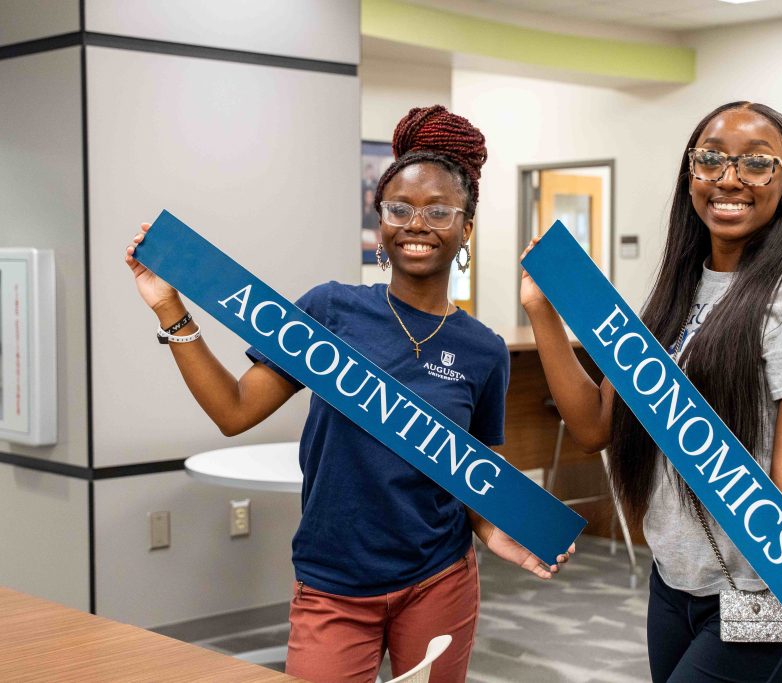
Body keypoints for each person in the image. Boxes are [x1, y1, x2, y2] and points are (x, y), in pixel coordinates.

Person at [126, 105, 571, 683]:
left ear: (466, 227)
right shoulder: (330, 311)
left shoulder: (482, 350)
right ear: (379, 224)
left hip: (438, 576)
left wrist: (495, 529)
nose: (417, 224)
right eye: (399, 209)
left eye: (439, 211)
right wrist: (169, 307)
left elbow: (472, 471)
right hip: (332, 581)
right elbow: (232, 412)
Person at [521, 101, 782, 682]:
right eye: (711, 159)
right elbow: (595, 425)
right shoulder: (675, 293)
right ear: (690, 175)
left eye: (756, 164)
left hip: (760, 591)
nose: (728, 178)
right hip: (674, 582)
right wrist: (543, 312)